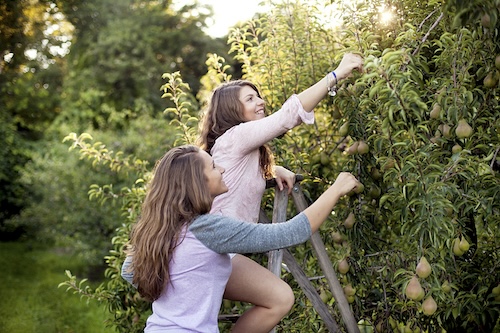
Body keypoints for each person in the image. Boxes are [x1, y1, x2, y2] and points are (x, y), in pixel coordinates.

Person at [196, 53, 363, 332]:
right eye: (249, 99)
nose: (260, 102)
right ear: (230, 111)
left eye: (257, 96)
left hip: (222, 251)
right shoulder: (235, 137)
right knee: (279, 297)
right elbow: (288, 116)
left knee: (278, 297)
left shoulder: (236, 148)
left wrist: (272, 170)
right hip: (212, 251)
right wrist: (337, 73)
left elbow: (238, 176)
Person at [122, 144, 361, 332]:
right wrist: (336, 189)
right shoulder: (208, 229)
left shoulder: (161, 230)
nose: (222, 169)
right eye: (214, 167)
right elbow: (291, 233)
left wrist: (191, 284)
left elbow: (129, 271)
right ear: (198, 183)